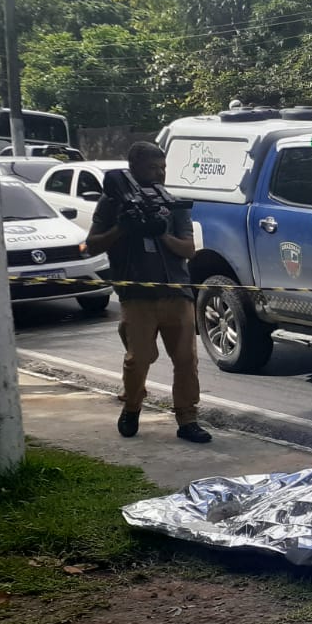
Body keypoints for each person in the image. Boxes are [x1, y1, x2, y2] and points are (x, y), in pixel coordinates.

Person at [87, 142, 211, 443]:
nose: (159, 173)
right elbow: (92, 244)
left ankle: (187, 419)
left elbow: (189, 250)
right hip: (137, 295)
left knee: (185, 360)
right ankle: (131, 408)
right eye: (152, 168)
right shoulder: (113, 201)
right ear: (134, 168)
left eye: (163, 167)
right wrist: (122, 228)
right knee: (138, 359)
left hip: (176, 293)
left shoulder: (171, 203)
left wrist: (162, 233)